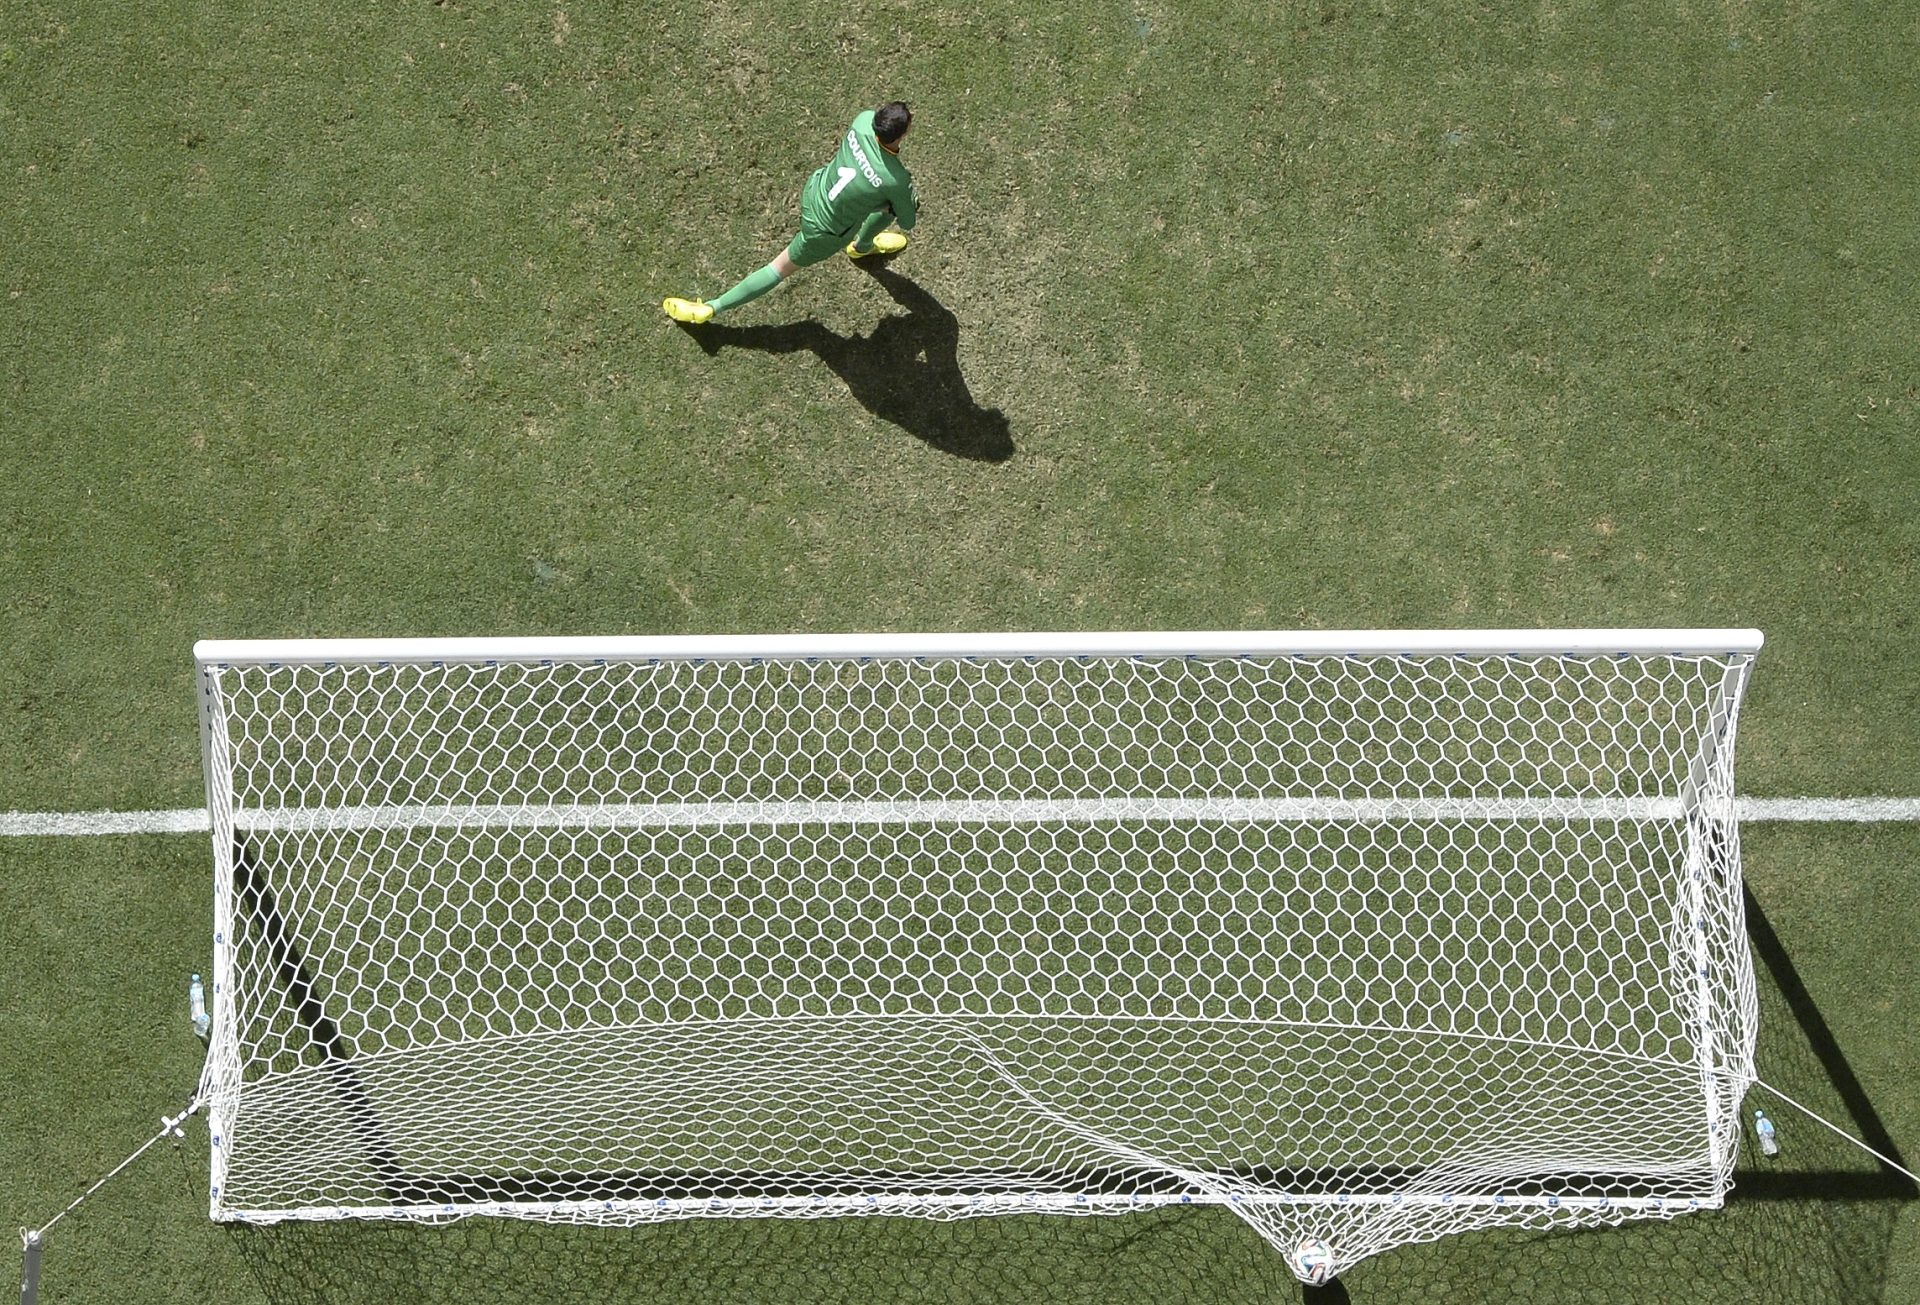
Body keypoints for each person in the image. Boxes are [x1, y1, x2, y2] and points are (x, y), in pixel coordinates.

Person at [663, 101, 917, 324]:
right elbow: (908, 221)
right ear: (903, 135)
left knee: (883, 202)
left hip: (813, 192)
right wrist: (904, 200)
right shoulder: (895, 178)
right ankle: (710, 308)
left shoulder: (862, 120)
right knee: (779, 268)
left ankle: (862, 247)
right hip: (824, 232)